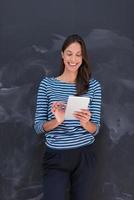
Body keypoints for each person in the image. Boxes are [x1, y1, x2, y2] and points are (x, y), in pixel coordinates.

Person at [34, 34, 102, 200]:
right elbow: (38, 127)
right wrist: (57, 120)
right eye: (69, 53)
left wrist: (86, 123)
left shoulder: (93, 86)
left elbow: (96, 128)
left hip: (85, 156)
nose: (73, 59)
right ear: (62, 55)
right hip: (56, 155)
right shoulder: (47, 84)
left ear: (83, 57)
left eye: (78, 54)